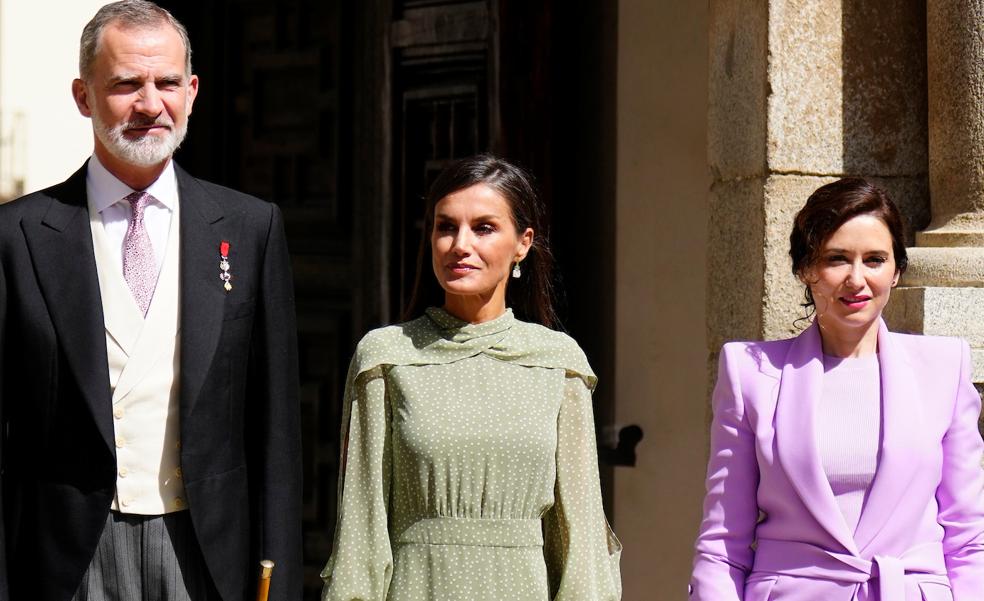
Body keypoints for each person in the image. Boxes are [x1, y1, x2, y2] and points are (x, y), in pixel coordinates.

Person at [0, 2, 301, 600]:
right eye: (125, 84)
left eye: (166, 83)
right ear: (84, 96)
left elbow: (275, 429)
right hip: (66, 554)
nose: (149, 104)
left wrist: (279, 576)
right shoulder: (19, 236)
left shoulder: (249, 227)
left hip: (206, 547)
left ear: (192, 92)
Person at [320, 154, 621, 601]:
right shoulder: (386, 357)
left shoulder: (558, 363)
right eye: (446, 227)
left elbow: (580, 539)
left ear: (523, 243)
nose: (460, 244)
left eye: (483, 228)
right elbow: (361, 529)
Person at [690, 178, 984, 600]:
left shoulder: (944, 367)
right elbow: (722, 544)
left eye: (875, 259)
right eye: (837, 259)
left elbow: (969, 535)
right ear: (806, 268)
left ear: (897, 271)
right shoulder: (750, 372)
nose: (857, 278)